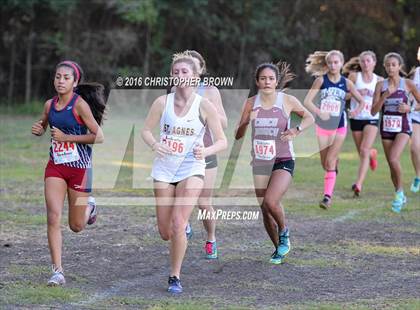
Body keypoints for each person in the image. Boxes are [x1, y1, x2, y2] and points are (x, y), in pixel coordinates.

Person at [141, 52, 227, 293]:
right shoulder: (162, 102)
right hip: (165, 169)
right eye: (176, 72)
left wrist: (206, 150)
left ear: (196, 76)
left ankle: (174, 276)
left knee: (179, 223)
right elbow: (146, 131)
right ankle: (180, 231)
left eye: (185, 72)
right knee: (165, 231)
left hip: (192, 168)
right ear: (171, 76)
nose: (180, 76)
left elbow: (223, 141)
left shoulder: (205, 105)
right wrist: (155, 144)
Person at [31, 60, 106, 285]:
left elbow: (99, 136)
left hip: (80, 169)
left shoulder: (79, 105)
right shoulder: (49, 105)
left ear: (75, 82)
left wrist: (67, 138)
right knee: (53, 216)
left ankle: (90, 207)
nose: (60, 81)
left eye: (66, 77)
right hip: (56, 166)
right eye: (57, 77)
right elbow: (45, 124)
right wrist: (39, 128)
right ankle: (57, 271)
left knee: (76, 226)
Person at [235, 62, 314, 264]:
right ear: (257, 81)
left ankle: (284, 232)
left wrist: (295, 131)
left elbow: (309, 117)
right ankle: (278, 248)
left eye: (271, 78)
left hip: (283, 158)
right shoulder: (251, 103)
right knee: (264, 208)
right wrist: (244, 121)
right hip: (260, 162)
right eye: (263, 78)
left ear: (276, 81)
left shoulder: (286, 100)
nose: (267, 82)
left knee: (271, 201)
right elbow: (238, 135)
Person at [173, 50, 228, 259]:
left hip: (205, 152)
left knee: (204, 202)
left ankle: (211, 237)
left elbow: (223, 122)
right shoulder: (175, 89)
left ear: (200, 70)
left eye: (194, 67)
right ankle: (183, 226)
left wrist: (208, 111)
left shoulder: (211, 91)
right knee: (179, 198)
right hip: (180, 154)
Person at [304, 50, 366, 209]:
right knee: (325, 164)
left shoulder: (346, 83)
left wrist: (355, 112)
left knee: (330, 161)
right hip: (322, 126)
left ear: (341, 64)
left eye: (336, 62)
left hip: (339, 126)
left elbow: (361, 101)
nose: (333, 65)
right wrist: (319, 112)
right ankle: (333, 167)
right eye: (330, 62)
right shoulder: (320, 81)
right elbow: (307, 101)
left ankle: (327, 197)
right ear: (326, 64)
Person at [371, 52, 420, 213]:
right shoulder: (380, 85)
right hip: (386, 128)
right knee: (392, 165)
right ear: (384, 67)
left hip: (404, 127)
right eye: (388, 65)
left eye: (394, 65)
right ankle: (400, 193)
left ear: (400, 66)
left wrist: (410, 108)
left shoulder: (408, 84)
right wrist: (385, 96)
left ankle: (399, 194)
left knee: (393, 157)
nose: (391, 68)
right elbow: (373, 111)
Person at [343, 51, 383, 196]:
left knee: (364, 150)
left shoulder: (379, 80)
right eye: (363, 61)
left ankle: (358, 184)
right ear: (359, 63)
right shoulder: (354, 77)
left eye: (368, 61)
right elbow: (345, 95)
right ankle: (373, 153)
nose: (365, 64)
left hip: (371, 117)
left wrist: (378, 97)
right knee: (362, 152)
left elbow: (383, 100)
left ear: (374, 62)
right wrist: (357, 92)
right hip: (356, 117)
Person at [408, 47, 420, 193]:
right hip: (416, 115)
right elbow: (411, 93)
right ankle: (418, 176)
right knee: (414, 148)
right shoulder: (416, 73)